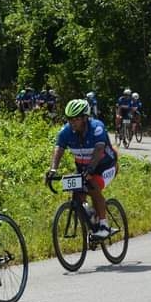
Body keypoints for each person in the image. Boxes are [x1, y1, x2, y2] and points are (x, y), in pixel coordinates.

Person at [46, 99, 119, 238]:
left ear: (85, 118)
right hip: (84, 168)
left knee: (93, 187)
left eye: (76, 119)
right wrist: (53, 170)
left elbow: (99, 150)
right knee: (78, 195)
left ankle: (104, 225)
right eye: (70, 119)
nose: (72, 122)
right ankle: (92, 217)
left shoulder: (96, 127)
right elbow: (59, 149)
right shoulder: (66, 131)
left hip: (105, 166)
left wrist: (91, 169)